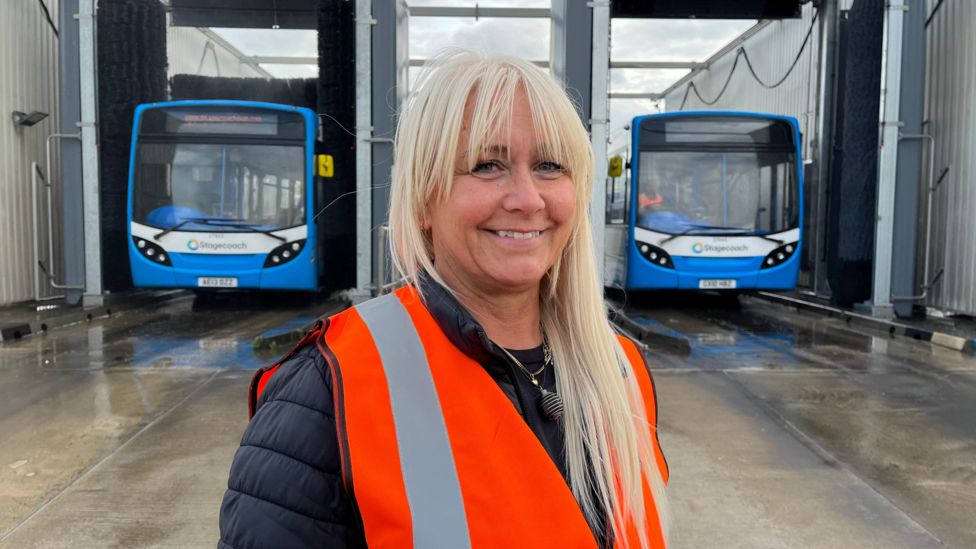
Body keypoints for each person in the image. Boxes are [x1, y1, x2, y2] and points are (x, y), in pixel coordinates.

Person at [218, 50, 669, 549]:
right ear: (424, 199)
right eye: (487, 165)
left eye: (548, 165)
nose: (527, 199)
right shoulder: (328, 387)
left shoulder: (621, 369)